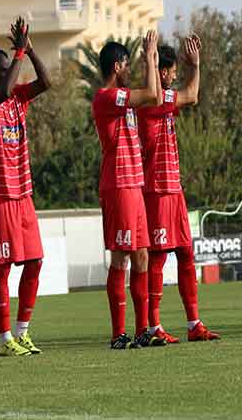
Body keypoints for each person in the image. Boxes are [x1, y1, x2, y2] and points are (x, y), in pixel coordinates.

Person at [137, 35, 220, 343]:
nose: (174, 77)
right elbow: (193, 94)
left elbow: (190, 95)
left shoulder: (163, 100)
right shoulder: (152, 101)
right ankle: (154, 326)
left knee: (186, 253)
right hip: (156, 190)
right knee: (158, 257)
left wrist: (192, 66)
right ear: (161, 72)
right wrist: (195, 65)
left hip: (174, 188)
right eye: (170, 72)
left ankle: (194, 324)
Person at [0, 17, 51, 356]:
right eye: (7, 67)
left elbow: (46, 82)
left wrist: (29, 50)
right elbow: (4, 90)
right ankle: (5, 338)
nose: (13, 72)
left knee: (35, 260)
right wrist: (18, 50)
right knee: (3, 267)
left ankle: (22, 331)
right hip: (1, 196)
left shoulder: (20, 97)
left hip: (23, 194)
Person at [92, 30, 166, 349]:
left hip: (134, 184)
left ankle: (142, 330)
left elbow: (157, 97)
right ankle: (118, 334)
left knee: (141, 257)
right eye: (128, 64)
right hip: (119, 184)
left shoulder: (122, 99)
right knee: (120, 258)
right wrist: (150, 58)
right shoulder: (106, 97)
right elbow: (151, 93)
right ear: (119, 66)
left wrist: (152, 61)